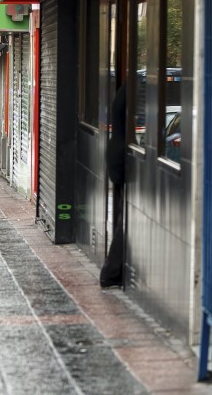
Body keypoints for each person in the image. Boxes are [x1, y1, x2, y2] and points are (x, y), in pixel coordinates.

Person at [100, 84, 127, 288]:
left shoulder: (122, 91)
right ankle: (111, 271)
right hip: (121, 157)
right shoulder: (132, 91)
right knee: (123, 219)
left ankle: (113, 270)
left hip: (115, 153)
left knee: (122, 214)